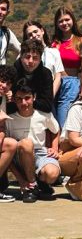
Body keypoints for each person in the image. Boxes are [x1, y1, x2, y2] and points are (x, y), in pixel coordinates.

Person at [6, 79, 60, 203]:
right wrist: (20, 180)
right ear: (14, 99)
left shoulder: (44, 115)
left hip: (40, 153)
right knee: (26, 143)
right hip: (20, 156)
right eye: (19, 99)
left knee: (52, 174)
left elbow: (56, 130)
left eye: (27, 98)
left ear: (34, 97)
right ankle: (31, 186)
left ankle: (40, 182)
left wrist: (55, 148)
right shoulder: (9, 119)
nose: (23, 103)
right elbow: (7, 153)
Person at [52, 6, 82, 128]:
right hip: (53, 83)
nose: (64, 23)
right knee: (52, 120)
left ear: (73, 20)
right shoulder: (54, 42)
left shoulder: (81, 41)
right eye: (61, 21)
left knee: (63, 119)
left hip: (71, 84)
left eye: (67, 19)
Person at [8, 39, 53, 115]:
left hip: (38, 113)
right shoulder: (11, 73)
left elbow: (47, 105)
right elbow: (8, 106)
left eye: (35, 58)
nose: (31, 61)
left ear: (40, 59)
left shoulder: (46, 74)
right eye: (27, 57)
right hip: (15, 114)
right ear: (21, 56)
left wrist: (23, 100)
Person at [23, 20, 65, 97]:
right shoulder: (24, 55)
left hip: (50, 95)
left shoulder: (54, 52)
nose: (34, 35)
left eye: (35, 31)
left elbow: (58, 77)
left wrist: (50, 96)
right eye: (30, 34)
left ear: (42, 31)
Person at [0, 65, 18, 202]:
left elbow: (2, 125)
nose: (5, 85)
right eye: (2, 81)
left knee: (11, 144)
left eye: (8, 83)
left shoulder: (3, 99)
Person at [0, 0, 21, 65]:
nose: (0, 12)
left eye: (3, 9)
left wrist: (16, 68)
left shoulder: (6, 33)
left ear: (7, 13)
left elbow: (22, 50)